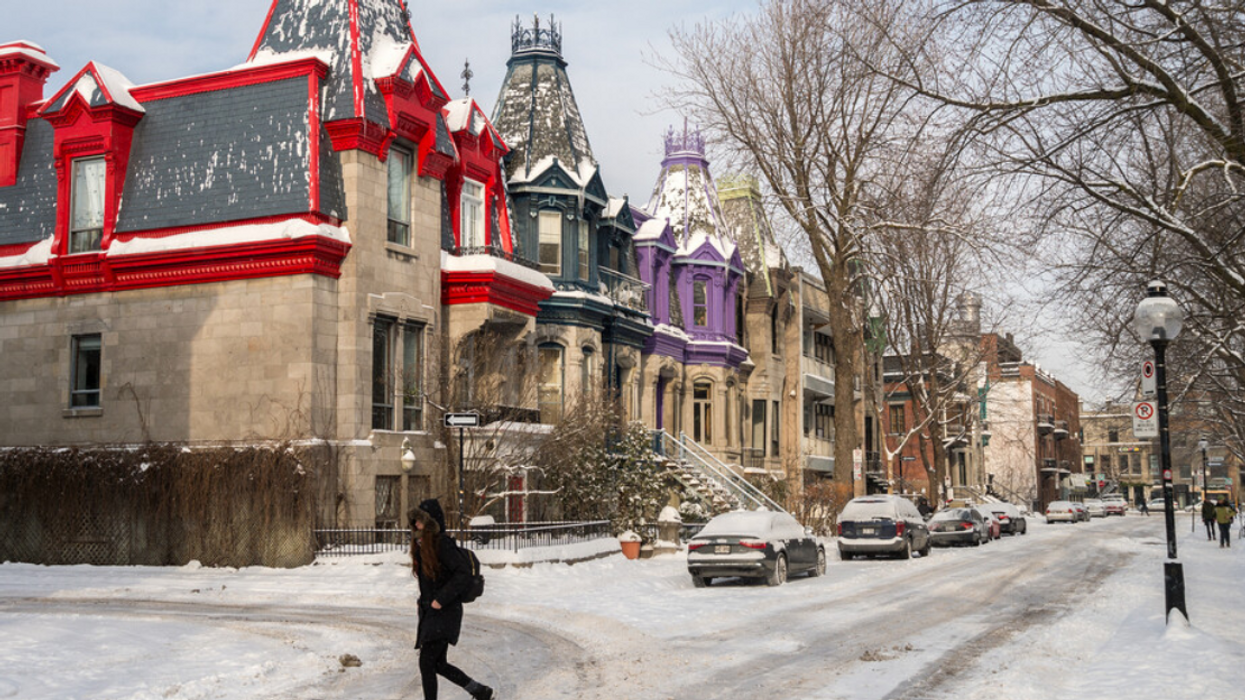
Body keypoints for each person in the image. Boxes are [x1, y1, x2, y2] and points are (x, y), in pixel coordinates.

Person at [410, 499, 494, 700]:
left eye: (419, 521)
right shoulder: (423, 546)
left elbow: (463, 573)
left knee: (427, 663)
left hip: (445, 611)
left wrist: (440, 599)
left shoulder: (442, 544)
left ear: (431, 522)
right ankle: (479, 691)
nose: (415, 525)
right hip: (432, 612)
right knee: (438, 664)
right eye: (414, 522)